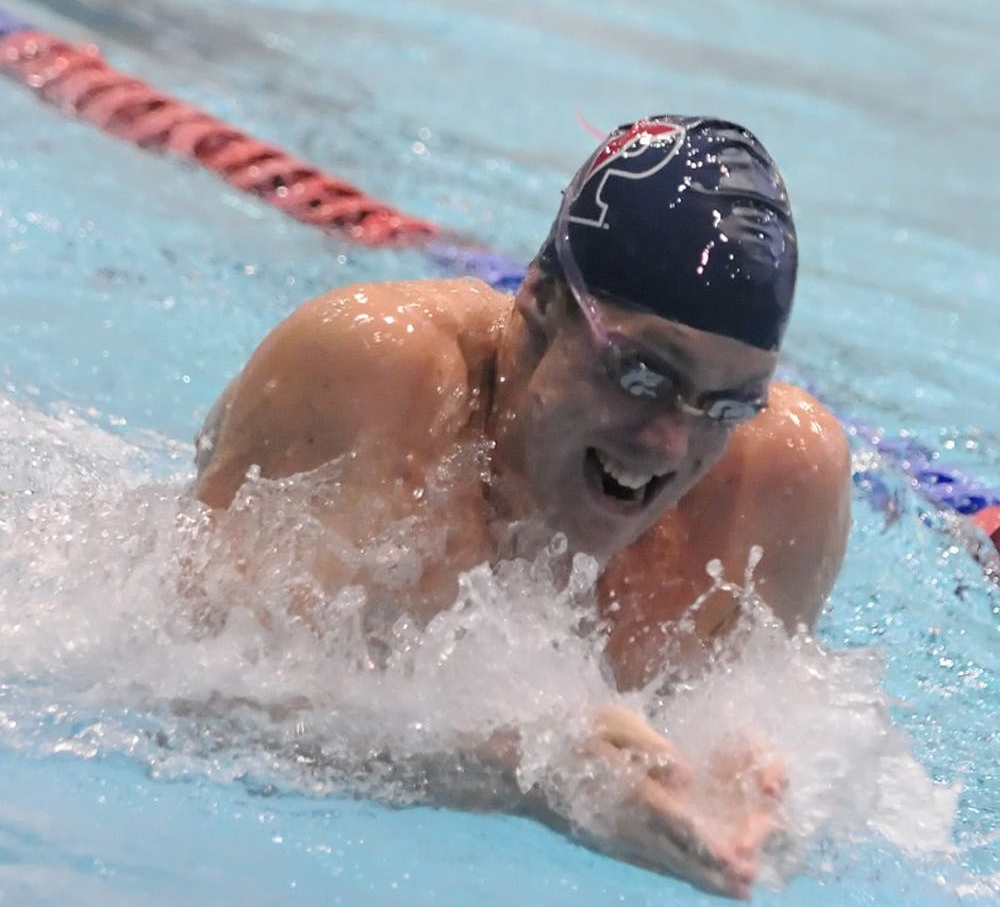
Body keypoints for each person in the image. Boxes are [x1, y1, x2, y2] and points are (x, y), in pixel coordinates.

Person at [193, 115, 851, 898]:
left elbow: (766, 734)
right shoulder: (376, 376)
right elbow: (197, 690)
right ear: (539, 300)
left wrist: (746, 763)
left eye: (728, 403)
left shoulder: (782, 481)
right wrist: (527, 764)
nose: (672, 442)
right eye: (641, 373)